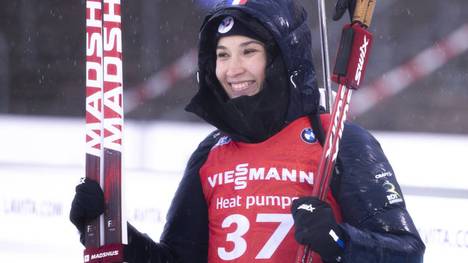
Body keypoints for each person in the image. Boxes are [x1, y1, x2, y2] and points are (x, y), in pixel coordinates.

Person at [70, 0, 426, 262]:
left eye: (248, 51)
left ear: (282, 58)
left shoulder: (338, 141)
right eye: (222, 55)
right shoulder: (211, 153)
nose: (232, 68)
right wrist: (116, 238)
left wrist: (341, 242)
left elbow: (407, 252)